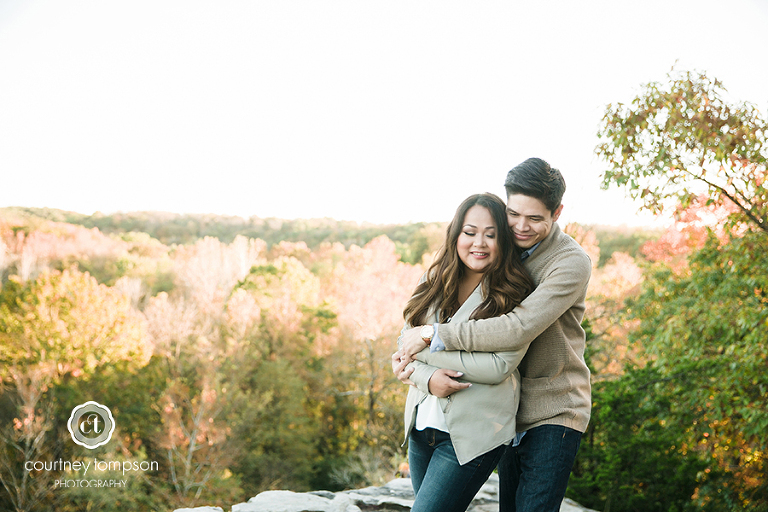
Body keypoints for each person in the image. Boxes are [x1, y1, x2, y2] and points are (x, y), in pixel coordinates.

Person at [394, 158, 592, 512]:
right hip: (502, 407)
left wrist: (431, 336)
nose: (521, 226)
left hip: (552, 407)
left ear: (557, 212)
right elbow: (406, 334)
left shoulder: (569, 262)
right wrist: (421, 369)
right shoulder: (497, 251)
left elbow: (517, 328)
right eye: (513, 214)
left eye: (535, 218)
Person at [396, 192, 534, 512]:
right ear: (456, 234)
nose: (479, 243)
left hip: (474, 434)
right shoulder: (434, 279)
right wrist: (427, 378)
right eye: (470, 232)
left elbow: (499, 365)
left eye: (491, 235)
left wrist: (425, 342)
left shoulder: (515, 292)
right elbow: (404, 341)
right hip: (422, 427)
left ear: (504, 241)